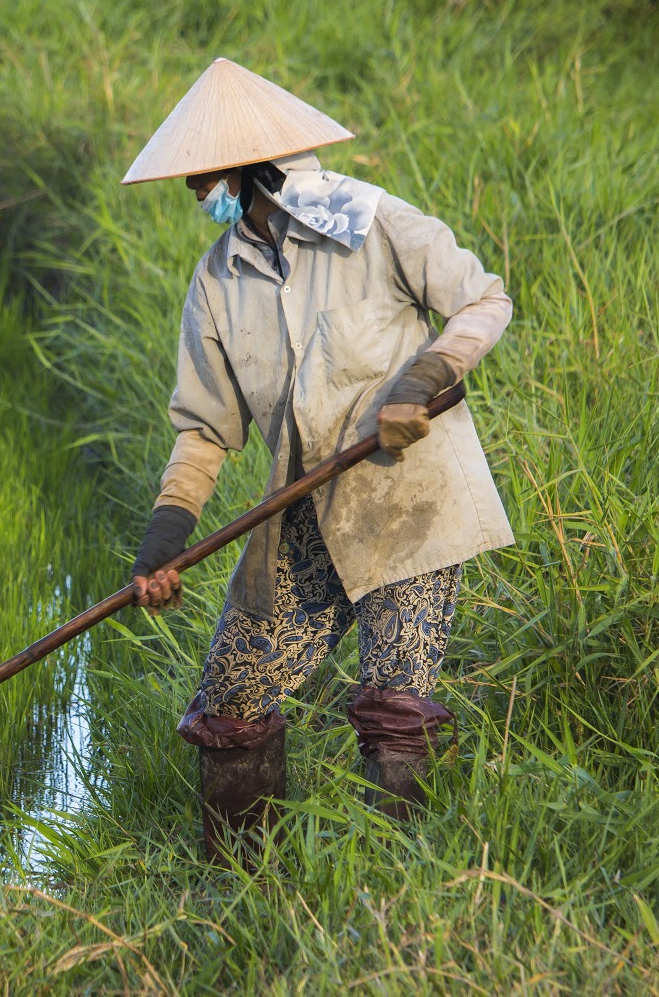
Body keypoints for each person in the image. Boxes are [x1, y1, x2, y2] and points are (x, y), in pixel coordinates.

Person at [120, 59, 515, 858]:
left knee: (396, 705)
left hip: (410, 504)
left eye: (204, 178)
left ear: (250, 169)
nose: (197, 195)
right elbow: (203, 429)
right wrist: (164, 540)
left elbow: (484, 297)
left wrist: (424, 377)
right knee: (230, 697)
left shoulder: (368, 222)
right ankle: (238, 886)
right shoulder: (218, 279)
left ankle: (397, 901)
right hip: (303, 512)